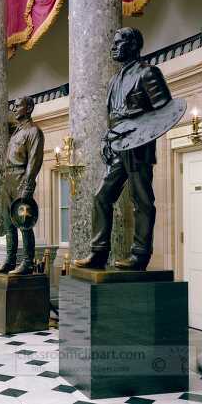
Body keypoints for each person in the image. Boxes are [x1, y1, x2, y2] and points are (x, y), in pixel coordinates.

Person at [75, 27, 172, 271]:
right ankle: (98, 253)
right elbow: (112, 118)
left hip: (138, 145)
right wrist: (106, 141)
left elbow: (165, 111)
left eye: (118, 42)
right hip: (118, 144)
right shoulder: (114, 80)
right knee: (101, 197)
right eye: (113, 42)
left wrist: (137, 128)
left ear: (133, 45)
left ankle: (140, 255)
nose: (113, 46)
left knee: (142, 200)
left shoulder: (148, 73)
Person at [0, 96, 44, 275]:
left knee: (24, 222)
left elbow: (34, 161)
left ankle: (28, 262)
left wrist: (27, 187)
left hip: (21, 178)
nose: (14, 109)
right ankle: (10, 260)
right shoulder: (16, 132)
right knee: (8, 224)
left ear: (29, 108)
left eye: (18, 106)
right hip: (8, 179)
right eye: (14, 106)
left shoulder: (34, 131)